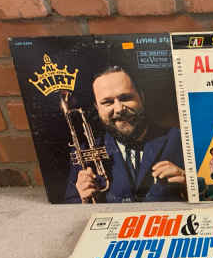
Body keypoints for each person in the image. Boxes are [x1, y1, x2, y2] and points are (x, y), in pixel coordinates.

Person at [64, 66, 186, 203]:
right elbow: (70, 205)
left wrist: (189, 185)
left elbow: (205, 191)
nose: (119, 109)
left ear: (141, 97)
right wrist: (82, 199)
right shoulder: (84, 152)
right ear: (97, 108)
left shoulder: (179, 140)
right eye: (107, 102)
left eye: (126, 98)